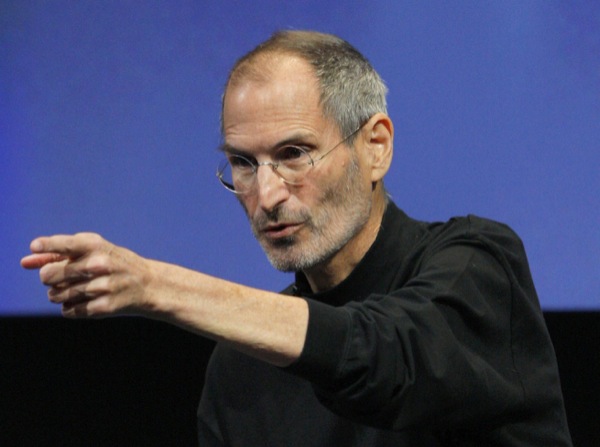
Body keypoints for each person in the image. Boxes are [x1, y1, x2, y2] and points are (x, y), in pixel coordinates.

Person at [21, 30, 572, 446]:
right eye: (242, 163)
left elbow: (382, 358)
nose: (266, 195)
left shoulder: (480, 266)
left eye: (293, 155)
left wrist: (153, 285)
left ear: (375, 146)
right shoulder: (241, 367)